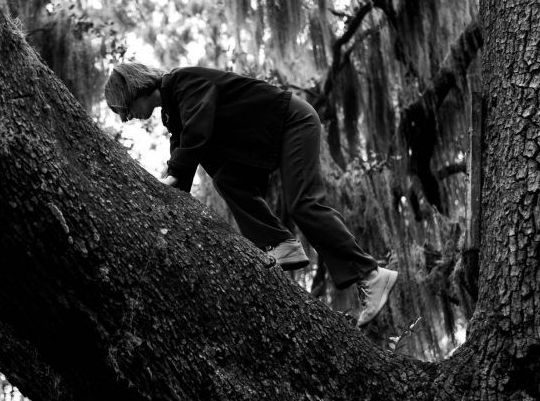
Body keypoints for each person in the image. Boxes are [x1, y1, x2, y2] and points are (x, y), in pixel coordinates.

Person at [105, 62, 397, 327]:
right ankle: (281, 243)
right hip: (267, 139)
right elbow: (181, 171)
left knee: (303, 205)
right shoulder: (173, 115)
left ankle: (370, 274)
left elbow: (197, 134)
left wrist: (170, 178)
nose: (126, 118)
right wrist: (164, 196)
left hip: (292, 121)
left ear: (134, 88)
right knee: (226, 179)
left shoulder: (183, 82)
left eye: (124, 109)